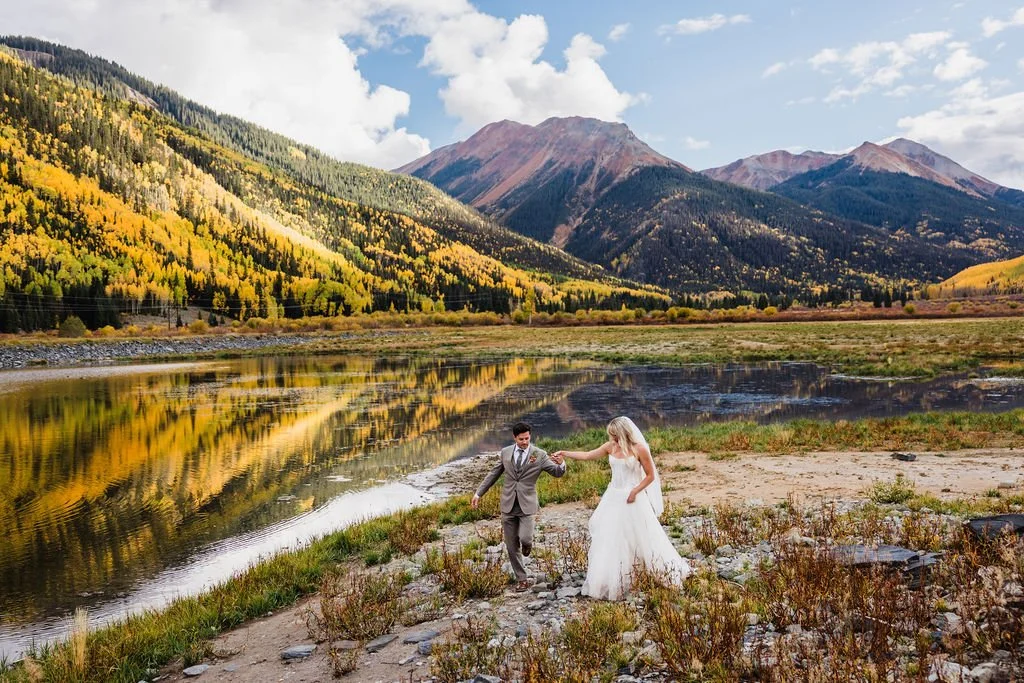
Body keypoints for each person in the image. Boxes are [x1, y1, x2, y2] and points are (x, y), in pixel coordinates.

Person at [553, 416, 690, 600]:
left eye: (615, 435)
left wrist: (635, 491)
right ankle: (614, 577)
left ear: (624, 433)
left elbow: (650, 476)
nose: (613, 439)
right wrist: (564, 453)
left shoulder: (639, 448)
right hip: (614, 496)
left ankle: (650, 570)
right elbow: (587, 455)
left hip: (633, 497)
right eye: (611, 436)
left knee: (641, 534)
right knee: (611, 535)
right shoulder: (610, 447)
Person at [472, 422, 566, 590]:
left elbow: (557, 473)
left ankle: (527, 546)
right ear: (514, 437)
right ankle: (521, 579)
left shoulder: (539, 454)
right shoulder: (505, 453)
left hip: (527, 505)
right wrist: (478, 493)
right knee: (511, 545)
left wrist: (561, 464)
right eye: (521, 439)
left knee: (525, 538)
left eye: (527, 438)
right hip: (507, 504)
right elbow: (494, 474)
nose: (525, 442)